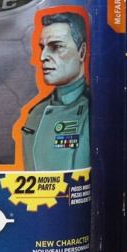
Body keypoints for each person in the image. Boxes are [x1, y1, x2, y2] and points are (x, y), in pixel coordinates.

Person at [21, 12, 90, 171]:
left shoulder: (96, 110)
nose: (43, 56)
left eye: (56, 46)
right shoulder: (36, 114)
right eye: (42, 48)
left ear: (82, 52)